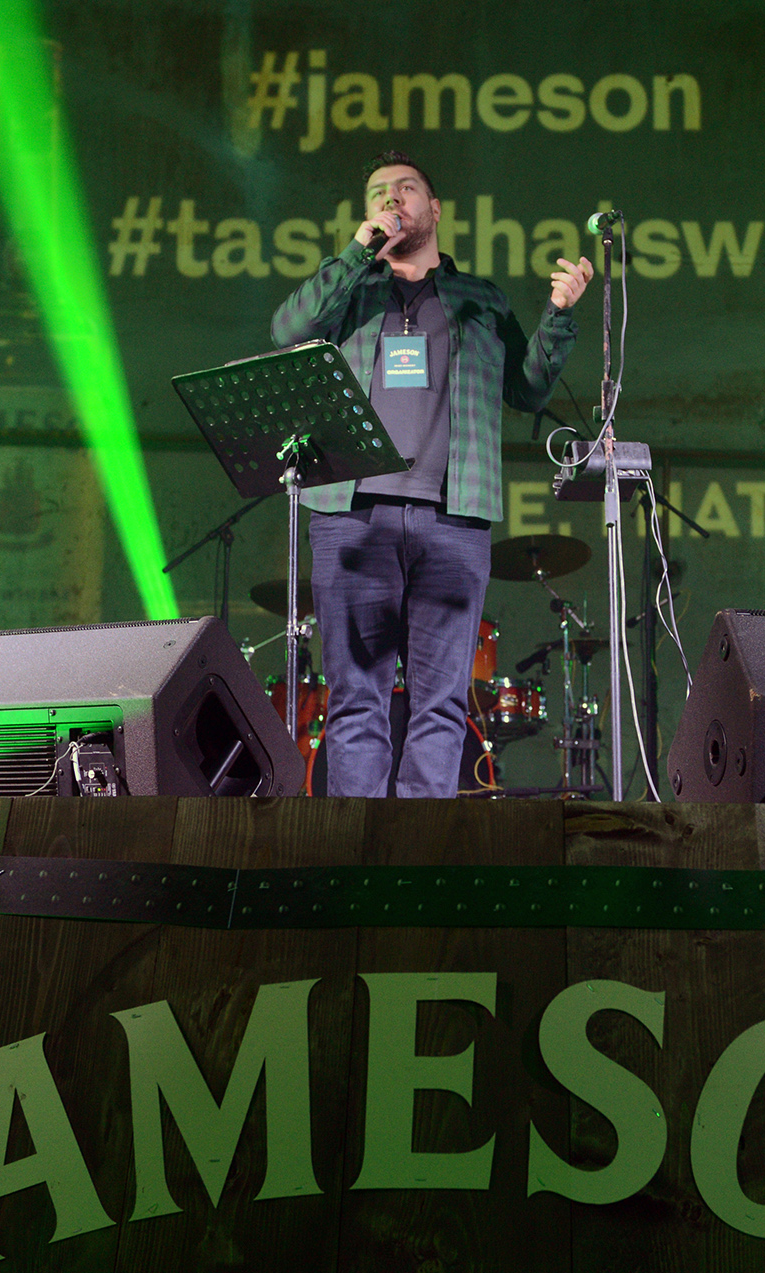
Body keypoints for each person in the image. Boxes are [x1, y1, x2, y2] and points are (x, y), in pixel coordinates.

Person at [271, 150, 594, 798]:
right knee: (355, 699)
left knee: (442, 703)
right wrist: (358, 251)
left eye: (406, 188)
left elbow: (527, 389)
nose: (392, 199)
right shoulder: (350, 290)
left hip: (453, 519)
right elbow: (289, 329)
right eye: (378, 193)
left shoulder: (480, 299)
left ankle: (423, 848)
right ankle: (358, 847)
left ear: (436, 208)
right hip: (352, 514)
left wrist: (558, 316)